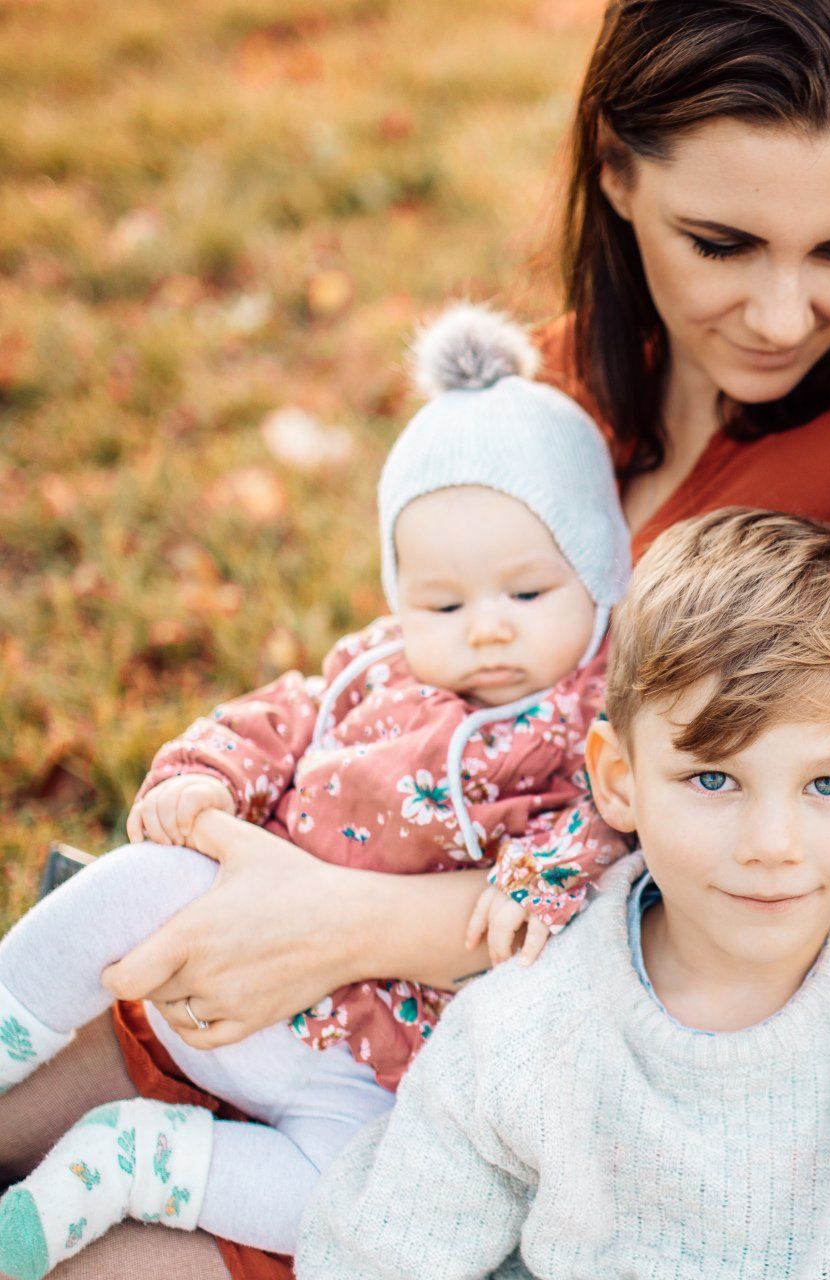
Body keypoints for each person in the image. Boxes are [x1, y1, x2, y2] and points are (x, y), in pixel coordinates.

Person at [0, 4, 830, 1274]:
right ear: (618, 174)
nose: (783, 311)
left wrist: (343, 918)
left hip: (517, 1084)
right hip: (295, 964)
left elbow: (757, 865)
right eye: (721, 243)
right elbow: (414, 680)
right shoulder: (569, 382)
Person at [0, 305, 631, 1278]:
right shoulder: (374, 670)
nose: (489, 629)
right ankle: (11, 1019)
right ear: (400, 595)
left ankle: (131, 1166)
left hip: (373, 1066)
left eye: (529, 592)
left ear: (598, 576)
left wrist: (529, 886)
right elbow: (278, 716)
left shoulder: (590, 730)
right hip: (226, 960)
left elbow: (593, 840)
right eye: (446, 602)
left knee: (353, 1198)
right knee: (141, 881)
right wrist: (206, 772)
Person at [298, 507, 830, 1279]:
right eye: (714, 778)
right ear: (619, 780)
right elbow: (384, 1253)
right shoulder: (532, 1022)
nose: (771, 845)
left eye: (828, 784)